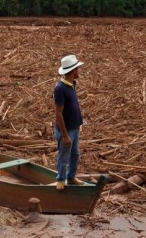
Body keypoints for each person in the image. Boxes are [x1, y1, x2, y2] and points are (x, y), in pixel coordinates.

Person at [54, 54, 85, 190]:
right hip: (66, 130)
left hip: (75, 127)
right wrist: (65, 135)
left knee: (75, 153)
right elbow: (58, 113)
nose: (79, 71)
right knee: (64, 155)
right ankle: (61, 180)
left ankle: (71, 177)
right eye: (78, 69)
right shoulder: (60, 88)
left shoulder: (72, 84)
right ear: (72, 71)